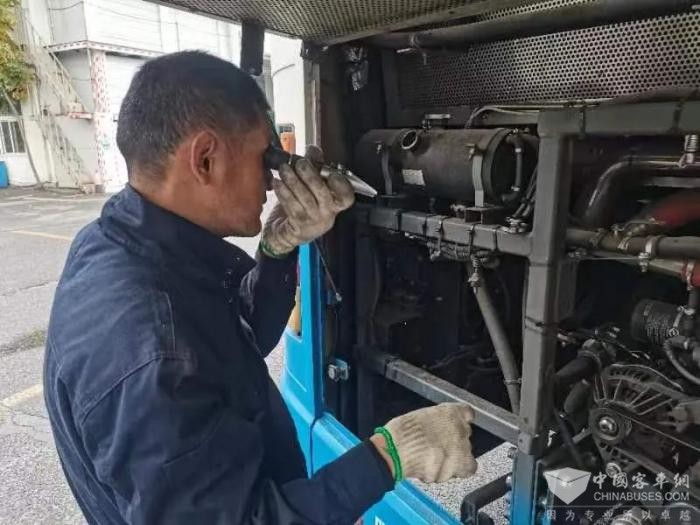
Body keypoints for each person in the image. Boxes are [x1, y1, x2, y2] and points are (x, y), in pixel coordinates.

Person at [44, 51, 477, 525]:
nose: (272, 183)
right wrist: (388, 457)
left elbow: (231, 344)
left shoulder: (116, 245)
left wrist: (277, 251)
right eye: (264, 157)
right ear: (205, 159)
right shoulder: (151, 357)